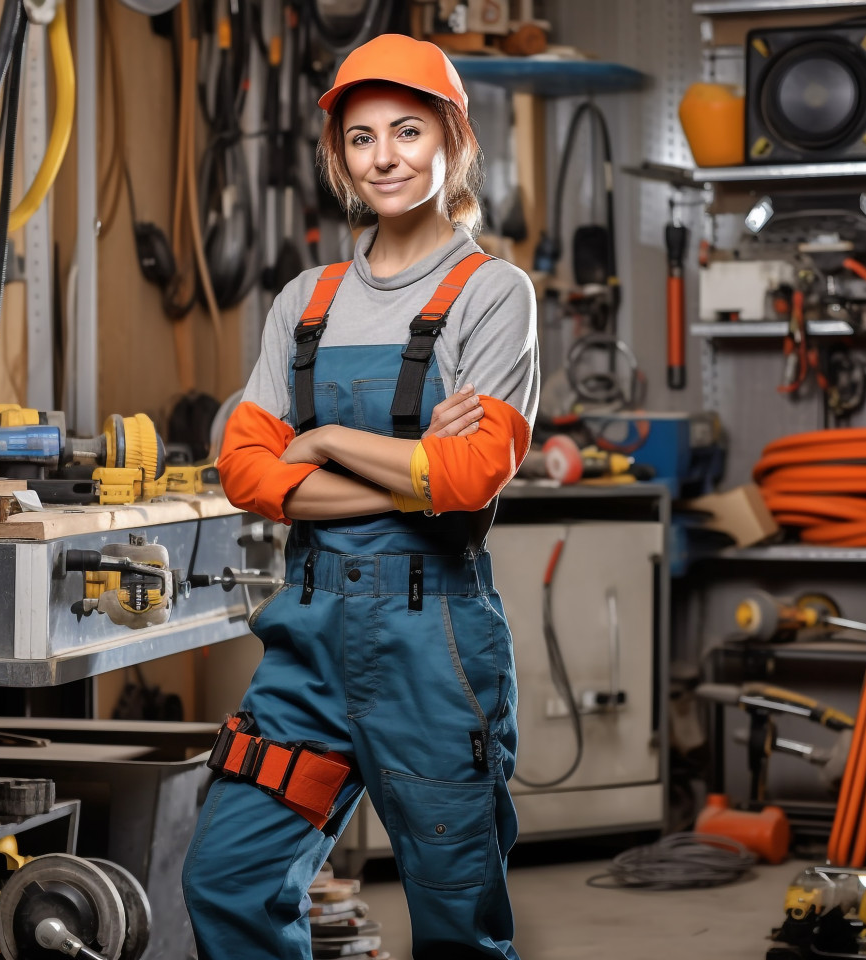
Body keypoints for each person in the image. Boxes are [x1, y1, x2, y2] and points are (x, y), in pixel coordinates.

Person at [182, 33, 539, 960]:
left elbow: (469, 480)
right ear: (337, 155)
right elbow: (245, 472)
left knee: (457, 918)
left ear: (452, 142)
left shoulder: (493, 294)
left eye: (409, 131)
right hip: (307, 643)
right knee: (230, 876)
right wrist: (412, 466)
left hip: (434, 651)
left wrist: (328, 441)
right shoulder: (307, 298)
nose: (385, 156)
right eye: (362, 137)